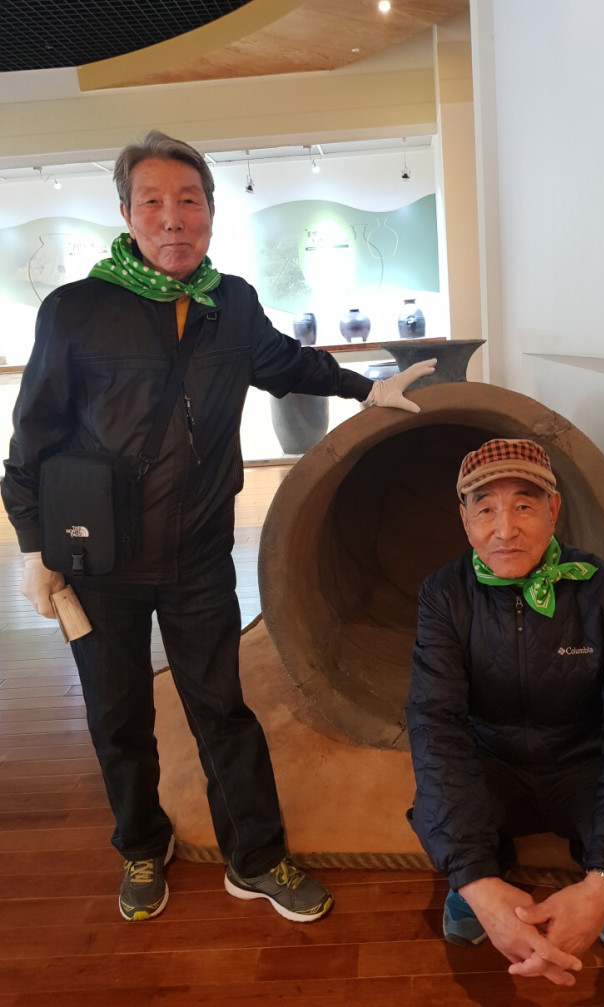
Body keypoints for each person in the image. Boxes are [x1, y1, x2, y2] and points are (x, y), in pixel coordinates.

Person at [2, 130, 435, 924]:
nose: (173, 218)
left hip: (198, 555)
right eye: (152, 202)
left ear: (209, 210)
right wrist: (35, 546)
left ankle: (256, 857)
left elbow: (285, 363)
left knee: (222, 710)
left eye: (188, 200)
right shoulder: (76, 310)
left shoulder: (229, 301)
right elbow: (33, 435)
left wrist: (363, 388)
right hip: (100, 561)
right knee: (117, 715)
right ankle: (141, 842)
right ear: (126, 213)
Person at [405, 438, 604, 987]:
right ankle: (483, 874)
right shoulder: (442, 594)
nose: (504, 530)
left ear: (554, 509)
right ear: (464, 520)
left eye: (524, 505)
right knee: (442, 809)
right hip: (491, 758)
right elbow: (433, 724)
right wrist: (475, 880)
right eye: (485, 509)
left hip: (583, 759)